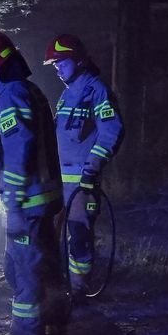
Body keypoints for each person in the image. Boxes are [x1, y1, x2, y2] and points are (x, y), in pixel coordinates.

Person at [0, 30, 64, 335]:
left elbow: (21, 146)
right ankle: (52, 322)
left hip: (28, 199)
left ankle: (23, 334)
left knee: (23, 267)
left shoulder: (11, 96)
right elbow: (25, 144)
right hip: (44, 195)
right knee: (45, 263)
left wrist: (14, 198)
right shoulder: (29, 91)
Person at [43, 34, 124, 298]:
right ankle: (57, 286)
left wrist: (92, 169)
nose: (58, 70)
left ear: (78, 61)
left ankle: (79, 290)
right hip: (60, 182)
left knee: (78, 236)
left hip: (82, 182)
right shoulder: (68, 94)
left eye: (61, 63)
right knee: (53, 235)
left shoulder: (95, 90)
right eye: (55, 66)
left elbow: (112, 130)